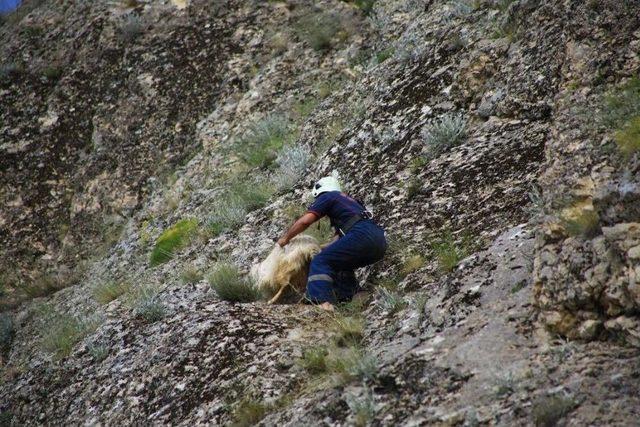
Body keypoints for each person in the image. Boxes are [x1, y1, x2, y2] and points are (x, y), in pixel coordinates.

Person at [277, 176, 387, 311]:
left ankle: (321, 302)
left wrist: (285, 239)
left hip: (360, 235)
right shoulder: (351, 202)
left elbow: (305, 221)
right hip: (379, 240)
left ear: (319, 191)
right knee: (337, 261)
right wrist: (317, 248)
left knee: (320, 261)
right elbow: (337, 241)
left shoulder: (328, 196)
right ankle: (355, 295)